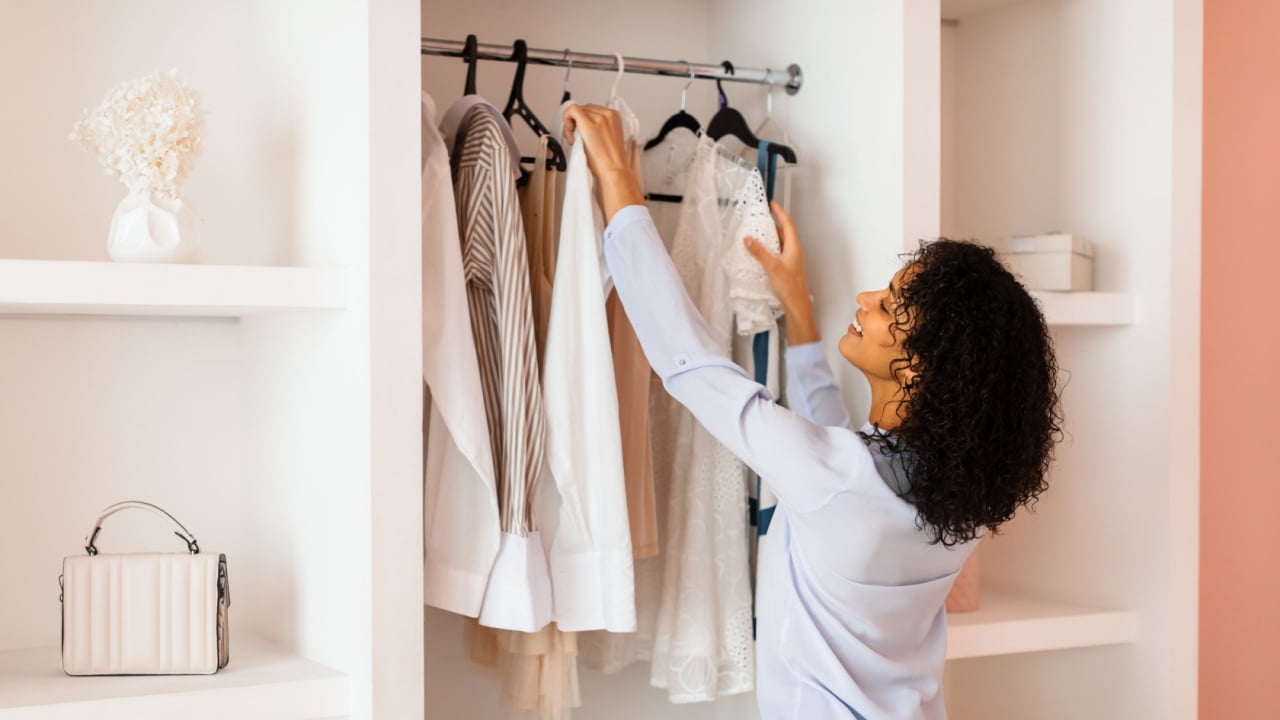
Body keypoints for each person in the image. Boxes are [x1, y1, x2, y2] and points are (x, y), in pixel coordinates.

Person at [562, 104, 1062, 719]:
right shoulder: (964, 498)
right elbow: (840, 444)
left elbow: (690, 365)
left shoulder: (835, 476)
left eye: (891, 304)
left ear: (918, 368)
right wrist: (797, 307)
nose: (865, 298)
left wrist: (619, 184)